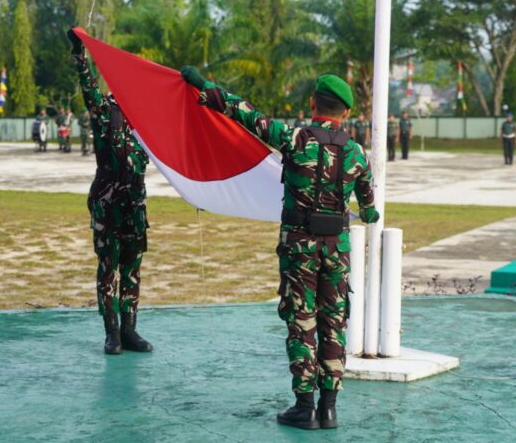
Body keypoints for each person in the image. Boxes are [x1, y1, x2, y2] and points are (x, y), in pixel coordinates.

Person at [180, 66, 379, 431]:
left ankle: (304, 407)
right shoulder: (357, 154)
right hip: (337, 250)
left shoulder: (294, 138)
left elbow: (246, 113)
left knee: (301, 324)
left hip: (299, 247)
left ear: (312, 103)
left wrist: (205, 87)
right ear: (346, 112)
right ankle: (329, 408)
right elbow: (369, 210)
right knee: (333, 325)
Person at [67, 28, 153, 356]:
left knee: (132, 270)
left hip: (135, 207)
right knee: (108, 269)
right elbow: (88, 89)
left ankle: (130, 329)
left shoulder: (147, 119)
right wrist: (80, 55)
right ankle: (112, 332)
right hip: (108, 206)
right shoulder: (107, 111)